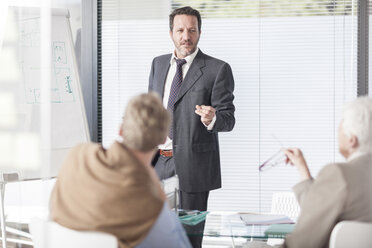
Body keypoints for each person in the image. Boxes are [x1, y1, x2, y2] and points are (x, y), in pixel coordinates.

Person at [50, 93, 191, 248]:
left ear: (121, 130)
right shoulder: (150, 204)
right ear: (164, 139)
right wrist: (158, 191)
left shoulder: (78, 155)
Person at [148, 6, 235, 214]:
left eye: (192, 30)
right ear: (171, 34)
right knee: (157, 234)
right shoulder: (158, 64)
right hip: (157, 162)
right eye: (180, 31)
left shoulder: (217, 69)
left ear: (199, 33)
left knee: (188, 238)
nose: (186, 36)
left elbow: (228, 119)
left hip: (192, 167)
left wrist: (211, 119)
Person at [281, 96, 372, 248]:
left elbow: (300, 243)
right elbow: (319, 211)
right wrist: (302, 167)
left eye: (340, 128)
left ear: (352, 140)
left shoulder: (340, 174)